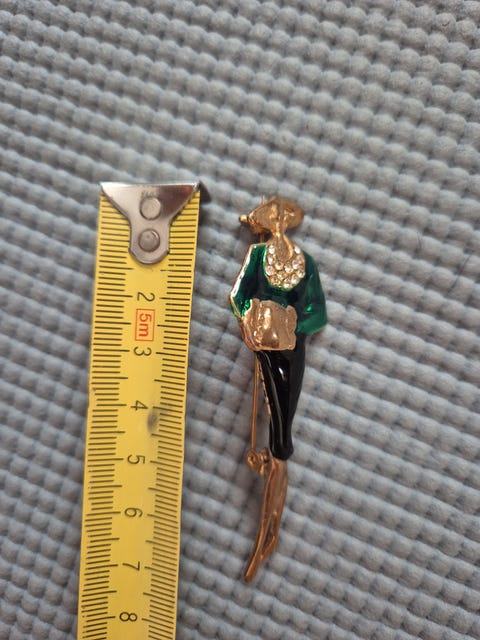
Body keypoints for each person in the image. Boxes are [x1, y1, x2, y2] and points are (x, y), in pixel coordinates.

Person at [229, 196, 327, 581]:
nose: (279, 222)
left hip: (293, 345)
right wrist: (255, 320)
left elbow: (317, 312)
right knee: (278, 426)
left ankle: (276, 476)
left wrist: (291, 321)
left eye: (284, 216)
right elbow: (238, 298)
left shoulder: (306, 262)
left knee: (286, 416)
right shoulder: (257, 256)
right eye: (272, 217)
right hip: (263, 345)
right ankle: (275, 466)